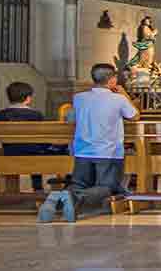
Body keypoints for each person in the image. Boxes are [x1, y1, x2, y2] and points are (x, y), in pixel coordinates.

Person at [39, 63, 138, 222]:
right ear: (112, 80)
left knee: (79, 184)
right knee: (108, 187)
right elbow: (134, 116)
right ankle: (73, 199)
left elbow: (71, 118)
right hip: (108, 152)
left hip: (82, 151)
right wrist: (124, 94)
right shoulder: (118, 99)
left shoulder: (79, 98)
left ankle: (57, 198)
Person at [0, 81, 52, 192]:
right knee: (37, 150)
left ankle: (9, 189)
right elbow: (42, 135)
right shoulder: (36, 115)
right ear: (28, 98)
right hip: (34, 152)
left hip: (9, 151)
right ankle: (37, 187)